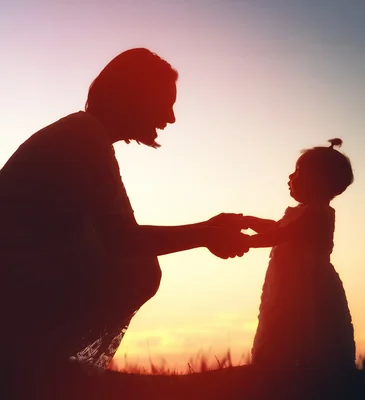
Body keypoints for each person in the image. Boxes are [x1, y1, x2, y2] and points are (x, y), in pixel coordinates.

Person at [0, 48, 250, 385]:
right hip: (15, 278)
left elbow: (121, 231)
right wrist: (207, 233)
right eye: (165, 102)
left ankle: (41, 362)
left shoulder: (86, 135)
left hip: (22, 274)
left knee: (142, 266)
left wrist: (208, 229)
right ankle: (36, 363)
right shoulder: (84, 136)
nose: (171, 117)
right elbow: (123, 240)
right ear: (134, 97)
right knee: (139, 266)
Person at [244, 138, 356, 374]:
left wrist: (246, 242)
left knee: (307, 322)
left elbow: (281, 235)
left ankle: (304, 369)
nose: (290, 177)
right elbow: (278, 228)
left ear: (318, 181)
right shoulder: (301, 213)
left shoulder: (318, 214)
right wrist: (249, 221)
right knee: (282, 317)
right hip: (289, 284)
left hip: (307, 285)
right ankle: (282, 367)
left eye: (298, 171)